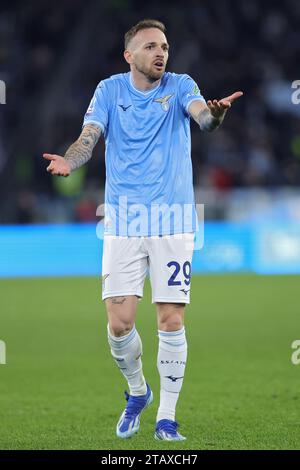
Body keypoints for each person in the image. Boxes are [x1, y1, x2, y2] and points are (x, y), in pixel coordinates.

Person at [43, 18, 243, 441]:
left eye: (165, 46)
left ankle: (167, 418)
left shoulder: (180, 84)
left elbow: (203, 120)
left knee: (170, 320)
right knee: (119, 323)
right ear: (129, 55)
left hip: (173, 221)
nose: (161, 53)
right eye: (151, 46)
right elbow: (88, 138)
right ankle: (138, 392)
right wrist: (68, 161)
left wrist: (216, 116)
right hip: (123, 221)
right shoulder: (110, 90)